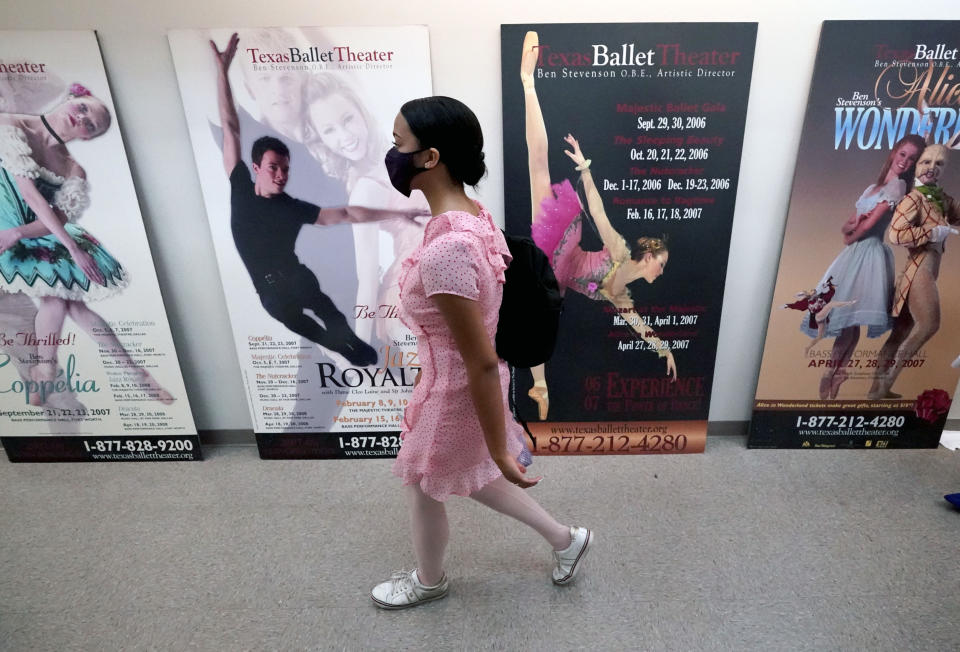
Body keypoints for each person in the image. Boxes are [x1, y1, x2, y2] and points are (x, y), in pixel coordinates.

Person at [370, 96, 593, 609]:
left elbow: (481, 360)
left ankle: (428, 582)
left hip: (456, 388)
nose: (393, 152)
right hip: (455, 381)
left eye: (399, 143)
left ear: (430, 158)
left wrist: (499, 443)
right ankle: (567, 540)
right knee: (468, 478)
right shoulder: (472, 216)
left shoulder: (449, 246)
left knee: (426, 484)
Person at [211, 34, 424, 366]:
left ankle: (357, 350)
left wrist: (402, 212)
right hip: (272, 293)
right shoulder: (240, 186)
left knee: (335, 320)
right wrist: (222, 74)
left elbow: (344, 214)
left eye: (284, 168)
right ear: (255, 168)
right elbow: (230, 128)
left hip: (299, 277)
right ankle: (348, 352)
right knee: (317, 330)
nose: (281, 175)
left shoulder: (291, 206)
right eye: (272, 168)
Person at [520, 31, 675, 420]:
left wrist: (664, 349)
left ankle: (539, 385)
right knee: (538, 168)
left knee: (542, 317)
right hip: (562, 246)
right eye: (663, 263)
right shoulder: (621, 252)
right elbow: (600, 213)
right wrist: (586, 169)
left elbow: (640, 326)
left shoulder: (623, 297)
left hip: (555, 278)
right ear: (650, 255)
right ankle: (528, 84)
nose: (662, 270)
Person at [0, 83, 172, 404]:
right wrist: (68, 248)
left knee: (64, 302)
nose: (81, 119)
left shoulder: (73, 168)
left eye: (90, 125)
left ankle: (48, 372)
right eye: (82, 109)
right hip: (9, 224)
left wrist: (32, 236)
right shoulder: (11, 124)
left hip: (39, 233)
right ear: (71, 100)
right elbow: (29, 195)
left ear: (88, 137)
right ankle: (133, 375)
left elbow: (58, 219)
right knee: (66, 303)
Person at [304, 73, 427, 344]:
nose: (344, 136)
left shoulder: (407, 156)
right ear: (320, 139)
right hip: (409, 300)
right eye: (329, 130)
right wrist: (360, 350)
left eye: (347, 119)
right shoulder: (365, 190)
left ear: (362, 112)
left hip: (446, 282)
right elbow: (367, 279)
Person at [801, 135, 925, 399]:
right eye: (903, 154)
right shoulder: (873, 187)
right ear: (894, 153)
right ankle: (837, 371)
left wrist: (850, 233)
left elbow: (866, 226)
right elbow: (848, 223)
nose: (905, 161)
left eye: (912, 158)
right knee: (846, 320)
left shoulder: (898, 187)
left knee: (850, 316)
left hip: (869, 255)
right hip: (853, 256)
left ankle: (833, 373)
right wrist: (850, 230)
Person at [868, 143, 960, 399]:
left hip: (923, 271)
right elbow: (896, 235)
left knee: (901, 332)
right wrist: (931, 232)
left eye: (939, 164)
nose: (932, 168)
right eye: (926, 162)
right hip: (919, 271)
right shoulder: (912, 199)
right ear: (917, 165)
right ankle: (884, 384)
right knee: (929, 325)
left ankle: (877, 390)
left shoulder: (940, 198)